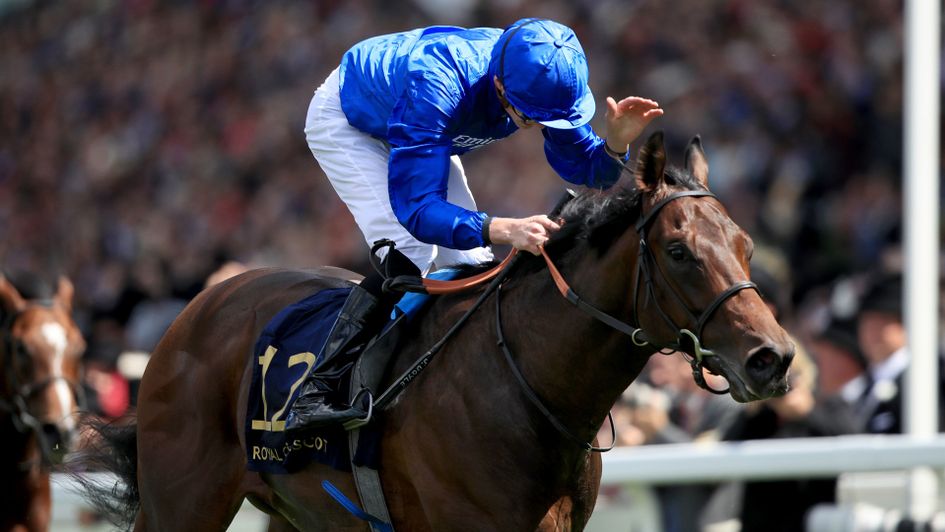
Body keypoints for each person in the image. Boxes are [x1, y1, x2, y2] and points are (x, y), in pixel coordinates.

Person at [285, 18, 664, 433]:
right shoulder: (440, 81)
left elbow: (587, 170)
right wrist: (501, 227)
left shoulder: (545, 76)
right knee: (407, 250)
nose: (543, 125)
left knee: (474, 261)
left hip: (417, 128)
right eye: (535, 116)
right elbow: (418, 210)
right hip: (351, 121)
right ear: (501, 86)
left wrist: (615, 143)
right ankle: (317, 391)